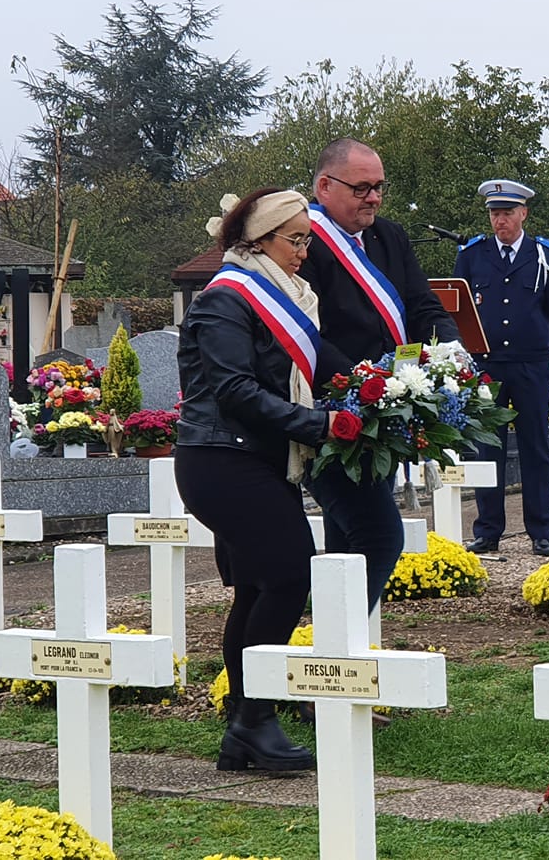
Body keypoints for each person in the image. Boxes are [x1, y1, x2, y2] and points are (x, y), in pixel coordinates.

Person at [176, 187, 360, 773]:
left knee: (258, 587)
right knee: (288, 572)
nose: (305, 251)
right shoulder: (224, 301)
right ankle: (255, 720)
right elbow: (233, 391)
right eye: (296, 239)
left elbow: (326, 362)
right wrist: (319, 424)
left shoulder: (287, 296)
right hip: (221, 459)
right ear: (258, 241)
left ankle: (243, 726)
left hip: (255, 459)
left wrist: (394, 382)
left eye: (307, 238)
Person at [298, 138, 460, 613]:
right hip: (333, 405)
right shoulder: (305, 242)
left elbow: (422, 304)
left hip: (385, 407)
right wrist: (359, 381)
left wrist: (450, 351)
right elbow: (306, 331)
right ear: (325, 186)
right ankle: (333, 640)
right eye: (362, 188)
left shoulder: (389, 236)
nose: (373, 198)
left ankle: (339, 653)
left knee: (349, 534)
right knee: (378, 534)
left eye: (379, 188)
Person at [454, 179, 549, 557]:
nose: (499, 220)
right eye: (494, 213)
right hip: (487, 365)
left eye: (506, 213)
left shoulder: (545, 256)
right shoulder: (472, 255)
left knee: (536, 447)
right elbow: (460, 309)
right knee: (488, 449)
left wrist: (534, 343)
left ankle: (541, 530)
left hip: (529, 364)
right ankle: (488, 530)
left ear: (523, 213)